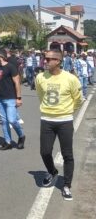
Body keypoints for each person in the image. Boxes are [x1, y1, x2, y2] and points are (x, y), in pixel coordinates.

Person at [35, 49, 82, 201]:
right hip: (47, 120)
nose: (45, 61)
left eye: (49, 59)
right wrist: (48, 111)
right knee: (45, 151)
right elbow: (41, 95)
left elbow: (78, 99)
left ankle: (66, 185)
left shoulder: (70, 78)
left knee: (67, 154)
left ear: (58, 61)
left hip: (65, 121)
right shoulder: (40, 77)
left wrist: (68, 111)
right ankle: (52, 171)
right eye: (45, 58)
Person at [0, 49, 25, 150]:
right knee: (4, 121)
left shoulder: (11, 67)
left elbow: (17, 82)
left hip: (10, 98)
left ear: (0, 56)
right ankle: (8, 142)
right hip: (0, 98)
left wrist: (19, 98)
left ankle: (21, 136)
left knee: (12, 120)